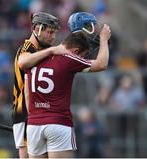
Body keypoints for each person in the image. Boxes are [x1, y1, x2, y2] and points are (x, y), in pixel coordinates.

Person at [21, 22, 111, 158]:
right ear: (75, 51)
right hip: (58, 124)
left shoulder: (33, 59)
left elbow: (27, 95)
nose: (81, 58)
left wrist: (34, 119)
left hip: (34, 124)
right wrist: (104, 39)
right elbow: (101, 64)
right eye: (83, 55)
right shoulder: (70, 59)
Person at [12, 12, 65, 158]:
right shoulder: (27, 47)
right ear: (36, 29)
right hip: (25, 114)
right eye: (49, 32)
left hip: (41, 115)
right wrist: (52, 51)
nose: (53, 37)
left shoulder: (42, 51)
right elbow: (23, 62)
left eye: (54, 33)